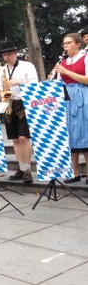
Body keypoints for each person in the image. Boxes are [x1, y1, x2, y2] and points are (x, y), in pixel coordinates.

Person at [0, 41, 38, 183]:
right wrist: (3, 97)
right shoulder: (2, 70)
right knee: (15, 139)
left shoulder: (27, 66)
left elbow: (35, 84)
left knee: (23, 138)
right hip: (10, 103)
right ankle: (21, 168)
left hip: (23, 103)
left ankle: (28, 169)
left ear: (16, 53)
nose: (6, 57)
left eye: (9, 54)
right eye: (4, 55)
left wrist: (18, 82)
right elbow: (1, 88)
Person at [51, 33, 88, 184]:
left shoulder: (85, 57)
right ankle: (74, 172)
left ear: (78, 44)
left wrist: (66, 72)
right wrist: (53, 77)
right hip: (66, 99)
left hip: (83, 97)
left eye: (68, 43)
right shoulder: (64, 62)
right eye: (63, 44)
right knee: (70, 135)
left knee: (85, 133)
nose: (65, 46)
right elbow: (59, 84)